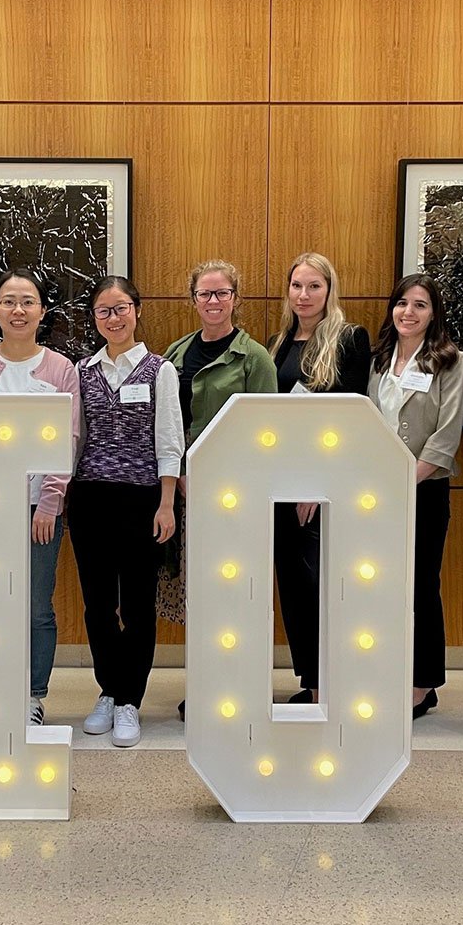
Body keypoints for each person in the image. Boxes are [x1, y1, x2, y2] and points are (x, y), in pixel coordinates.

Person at [0, 268, 82, 727]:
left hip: (39, 508)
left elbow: (66, 438)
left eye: (27, 301)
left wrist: (50, 501)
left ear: (42, 312)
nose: (18, 310)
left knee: (35, 603)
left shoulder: (60, 368)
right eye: (9, 301)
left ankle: (33, 695)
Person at [69, 276, 181, 747]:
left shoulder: (160, 370)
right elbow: (76, 438)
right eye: (103, 311)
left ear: (137, 310)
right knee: (97, 603)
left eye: (121, 308)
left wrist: (167, 503)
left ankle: (131, 699)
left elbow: (170, 440)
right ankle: (109, 691)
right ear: (94, 318)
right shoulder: (82, 370)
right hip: (90, 496)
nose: (113, 319)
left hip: (141, 499)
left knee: (136, 603)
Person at [162, 260, 277, 721]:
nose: (213, 302)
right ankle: (208, 684)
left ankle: (241, 684)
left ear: (236, 298)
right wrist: (180, 475)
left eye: (222, 293)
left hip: (237, 497)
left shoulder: (255, 359)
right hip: (187, 493)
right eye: (205, 294)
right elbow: (166, 423)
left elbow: (266, 434)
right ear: (193, 301)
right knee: (203, 594)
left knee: (238, 592)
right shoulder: (174, 354)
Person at [268, 252, 370, 703]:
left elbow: (349, 419)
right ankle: (310, 681)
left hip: (323, 488)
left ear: (330, 291)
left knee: (321, 586)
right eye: (297, 286)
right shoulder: (277, 344)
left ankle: (334, 681)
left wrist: (318, 484)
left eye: (314, 286)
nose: (304, 295)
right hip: (280, 484)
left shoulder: (349, 339)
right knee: (291, 585)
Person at [368, 273, 463, 719]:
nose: (409, 312)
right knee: (382, 585)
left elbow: (445, 437)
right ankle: (389, 672)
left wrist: (404, 481)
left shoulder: (450, 361)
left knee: (421, 584)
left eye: (420, 305)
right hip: (376, 495)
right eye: (402, 303)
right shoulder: (377, 361)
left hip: (423, 491)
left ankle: (423, 684)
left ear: (434, 313)